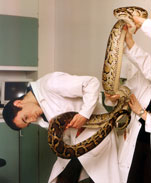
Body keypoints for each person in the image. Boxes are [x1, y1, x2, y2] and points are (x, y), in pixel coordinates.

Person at [2, 72, 121, 183]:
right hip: (75, 147)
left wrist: (84, 114)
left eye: (25, 118)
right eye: (27, 123)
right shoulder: (37, 115)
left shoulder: (50, 84)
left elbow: (91, 83)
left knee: (104, 178)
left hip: (98, 136)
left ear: (18, 103)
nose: (32, 121)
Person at [106, 16, 151, 183]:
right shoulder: (143, 77)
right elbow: (145, 65)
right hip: (138, 139)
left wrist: (143, 113)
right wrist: (114, 95)